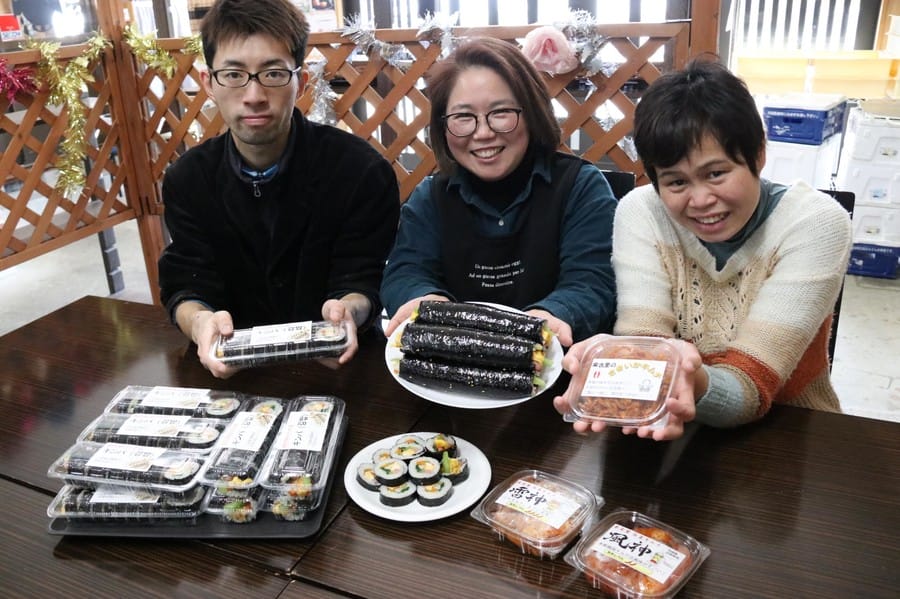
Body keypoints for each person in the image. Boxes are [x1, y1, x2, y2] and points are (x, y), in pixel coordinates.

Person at [553, 59, 852, 440]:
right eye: (676, 182)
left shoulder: (814, 224)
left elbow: (752, 383)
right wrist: (621, 357)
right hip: (665, 425)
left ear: (758, 154)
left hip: (792, 429)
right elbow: (646, 341)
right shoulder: (642, 212)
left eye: (715, 173)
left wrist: (686, 381)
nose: (700, 200)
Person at [158, 0, 400, 378]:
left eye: (273, 73)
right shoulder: (187, 180)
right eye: (233, 74)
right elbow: (187, 284)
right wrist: (200, 322)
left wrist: (346, 313)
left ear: (300, 82)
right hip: (232, 373)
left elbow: (362, 279)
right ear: (209, 83)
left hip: (339, 371)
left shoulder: (361, 171)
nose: (254, 95)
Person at [380, 37, 617, 347]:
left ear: (531, 112)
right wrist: (423, 299)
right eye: (463, 117)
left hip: (557, 362)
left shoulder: (580, 186)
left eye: (501, 112)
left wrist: (550, 316)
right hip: (451, 362)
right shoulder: (431, 196)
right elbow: (405, 271)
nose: (483, 133)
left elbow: (592, 282)